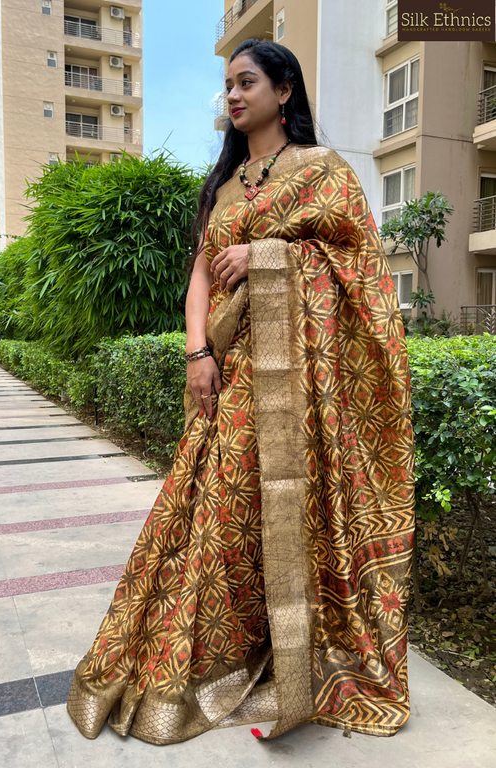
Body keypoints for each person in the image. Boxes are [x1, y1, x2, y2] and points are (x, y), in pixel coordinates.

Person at [67, 38, 416, 745]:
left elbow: (361, 266)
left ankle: (301, 660)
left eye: (245, 82)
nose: (231, 95)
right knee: (220, 515)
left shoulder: (322, 172)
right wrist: (197, 352)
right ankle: (231, 652)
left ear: (283, 92)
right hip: (231, 379)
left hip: (303, 383)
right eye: (226, 85)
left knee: (297, 513)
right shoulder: (224, 187)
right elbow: (199, 276)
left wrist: (266, 255)